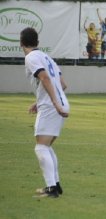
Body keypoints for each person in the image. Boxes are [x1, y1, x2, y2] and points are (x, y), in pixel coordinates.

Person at [20, 27, 70, 197]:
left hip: (52, 106)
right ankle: (55, 185)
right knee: (46, 146)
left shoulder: (31, 57)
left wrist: (53, 103)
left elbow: (45, 78)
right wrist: (38, 101)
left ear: (21, 43)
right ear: (37, 42)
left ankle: (51, 189)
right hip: (60, 103)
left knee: (40, 147)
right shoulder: (47, 57)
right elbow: (63, 84)